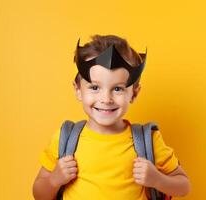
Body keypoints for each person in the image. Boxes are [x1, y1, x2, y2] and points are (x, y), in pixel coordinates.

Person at [32, 35, 191, 200]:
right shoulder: (66, 139)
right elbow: (39, 195)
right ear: (78, 90)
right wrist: (53, 180)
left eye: (117, 89)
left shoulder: (147, 140)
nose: (106, 99)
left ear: (134, 93)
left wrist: (157, 180)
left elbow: (183, 186)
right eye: (94, 87)